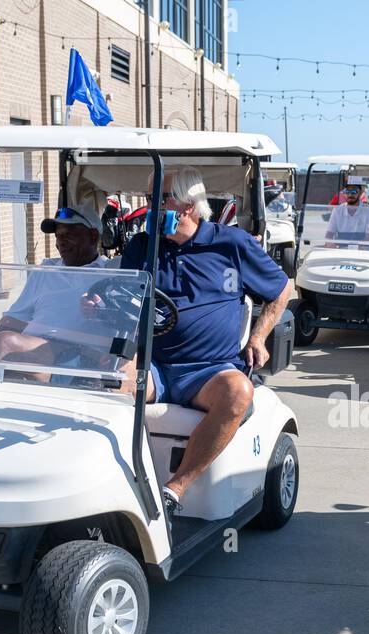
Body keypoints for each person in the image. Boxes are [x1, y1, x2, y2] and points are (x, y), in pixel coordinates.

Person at [119, 166, 293, 516]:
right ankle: (115, 483)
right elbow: (124, 298)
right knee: (108, 385)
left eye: (160, 198)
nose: (151, 206)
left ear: (188, 204)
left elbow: (282, 288)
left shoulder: (231, 243)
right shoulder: (142, 245)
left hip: (209, 370)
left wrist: (258, 336)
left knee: (238, 393)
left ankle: (174, 489)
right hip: (155, 363)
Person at [0, 202, 112, 367]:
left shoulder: (113, 272)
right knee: (4, 341)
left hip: (83, 353)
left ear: (93, 236)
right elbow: (12, 319)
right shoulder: (46, 270)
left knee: (6, 343)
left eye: (69, 234)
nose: (60, 243)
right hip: (39, 345)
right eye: (58, 236)